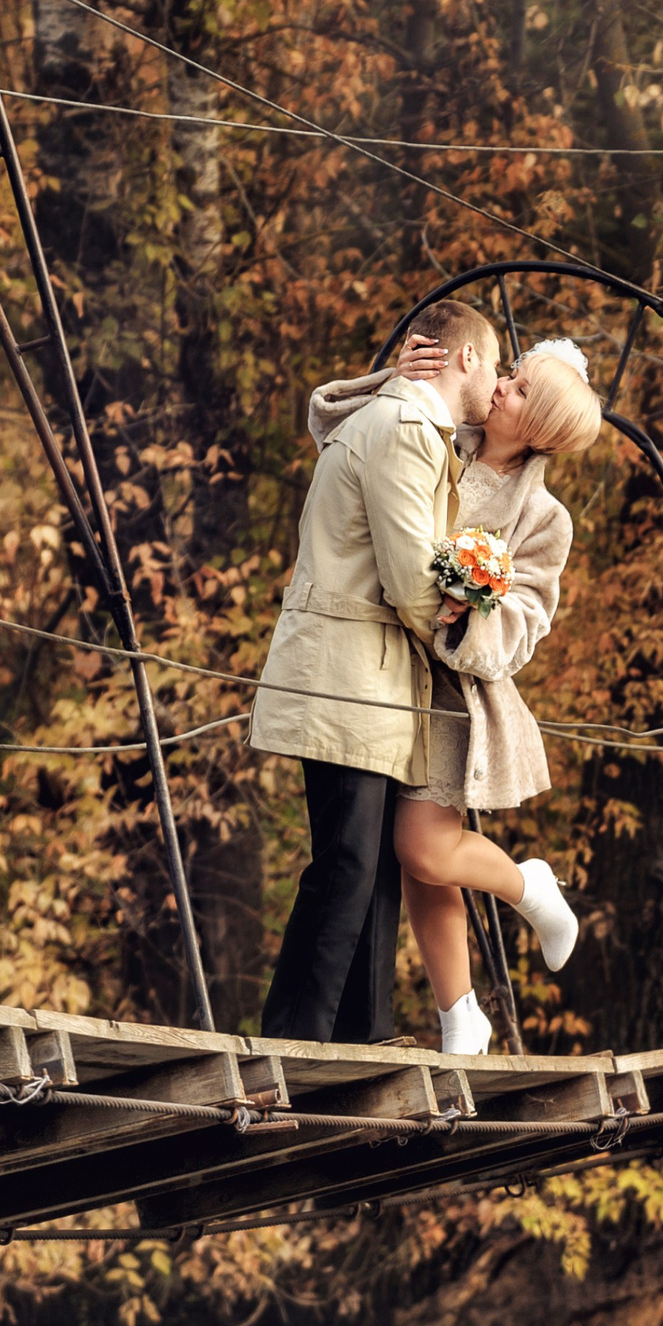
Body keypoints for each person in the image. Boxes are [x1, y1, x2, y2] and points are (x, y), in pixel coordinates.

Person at [307, 336, 599, 1053]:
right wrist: (393, 378)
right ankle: (459, 1015)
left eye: (521, 389)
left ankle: (528, 886)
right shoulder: (434, 427)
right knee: (413, 858)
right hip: (374, 671)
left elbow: (526, 621)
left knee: (424, 851)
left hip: (444, 695)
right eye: (510, 375)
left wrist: (473, 609)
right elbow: (334, 430)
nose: (500, 386)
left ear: (538, 430)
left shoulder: (543, 519)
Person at [249, 299, 497, 1046]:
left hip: (373, 682)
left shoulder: (410, 427)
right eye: (495, 363)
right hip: (346, 675)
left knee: (373, 864)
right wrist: (466, 634)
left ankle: (363, 1031)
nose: (499, 381)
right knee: (348, 861)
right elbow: (408, 577)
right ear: (464, 359)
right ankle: (297, 1040)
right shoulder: (403, 430)